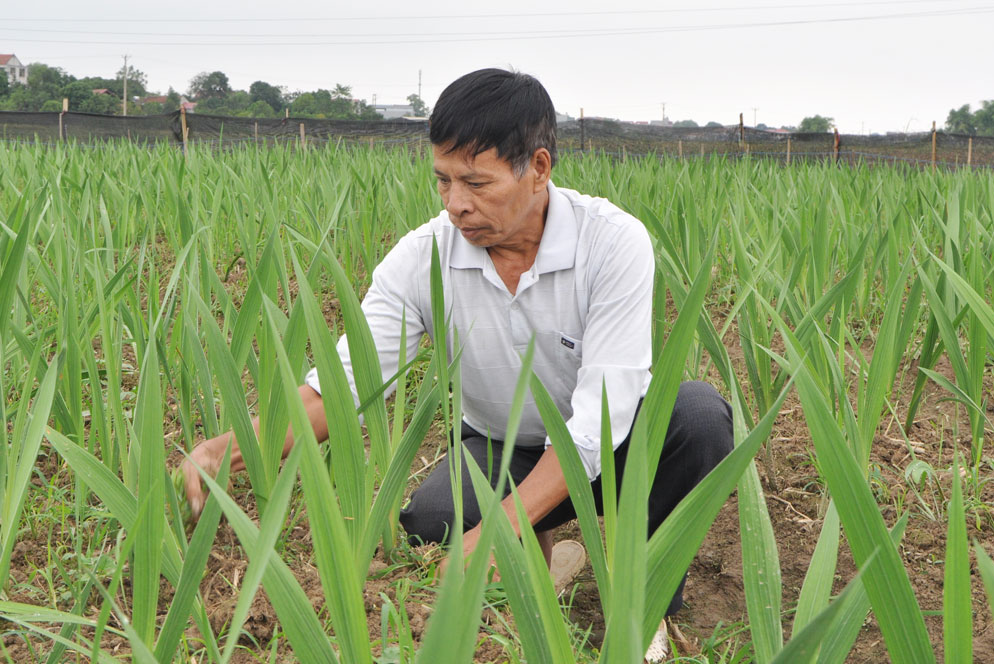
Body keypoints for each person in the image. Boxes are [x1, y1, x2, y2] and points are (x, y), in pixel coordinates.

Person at [181, 68, 733, 621]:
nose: (455, 203)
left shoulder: (611, 242)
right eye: (443, 180)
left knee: (699, 415)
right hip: (502, 444)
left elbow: (601, 417)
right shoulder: (424, 258)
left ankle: (643, 599)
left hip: (617, 447)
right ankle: (541, 562)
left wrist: (503, 524)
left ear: (538, 168)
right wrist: (228, 450)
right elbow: (350, 381)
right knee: (432, 521)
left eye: (476, 182)